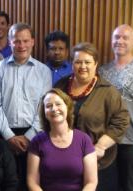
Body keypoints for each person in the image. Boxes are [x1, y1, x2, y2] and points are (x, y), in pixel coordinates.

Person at [55, 42, 129, 191]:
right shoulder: (61, 86)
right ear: (72, 64)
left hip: (98, 163)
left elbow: (121, 121)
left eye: (87, 62)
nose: (83, 66)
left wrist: (101, 146)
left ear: (95, 64)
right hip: (65, 161)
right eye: (78, 62)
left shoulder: (108, 91)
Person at [0, 23, 52, 190]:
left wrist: (29, 136)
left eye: (25, 41)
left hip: (35, 135)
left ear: (32, 42)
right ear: (10, 42)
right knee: (7, 183)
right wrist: (9, 136)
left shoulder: (44, 71)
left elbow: (45, 106)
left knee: (33, 182)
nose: (21, 45)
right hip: (4, 134)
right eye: (16, 41)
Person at [99, 24, 133, 191]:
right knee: (105, 186)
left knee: (129, 186)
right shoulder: (102, 71)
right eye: (116, 37)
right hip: (106, 139)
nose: (120, 41)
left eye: (125, 37)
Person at [27, 88, 98, 191]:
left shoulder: (84, 140)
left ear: (67, 107)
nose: (54, 109)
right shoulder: (37, 142)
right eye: (48, 106)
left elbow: (91, 182)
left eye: (58, 104)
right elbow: (32, 182)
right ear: (44, 113)